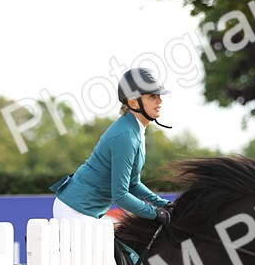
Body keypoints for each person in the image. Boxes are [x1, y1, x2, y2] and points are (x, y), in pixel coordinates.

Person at [50, 68, 173, 226]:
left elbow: (133, 184)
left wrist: (162, 204)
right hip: (75, 211)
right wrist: (154, 213)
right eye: (152, 96)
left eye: (159, 96)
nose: (160, 101)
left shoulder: (134, 129)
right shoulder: (126, 136)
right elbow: (120, 195)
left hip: (85, 210)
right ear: (133, 102)